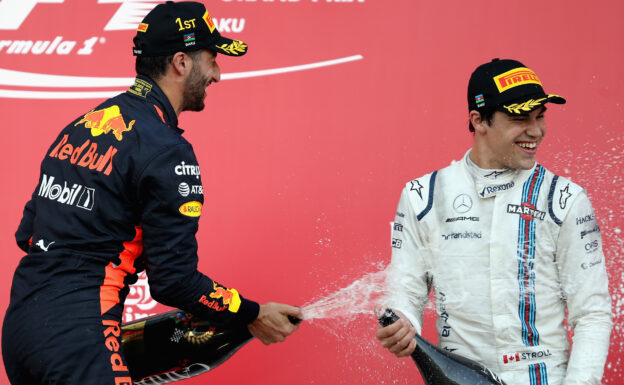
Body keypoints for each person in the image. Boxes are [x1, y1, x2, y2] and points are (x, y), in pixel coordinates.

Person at [2, 2, 302, 384]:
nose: (218, 74)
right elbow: (174, 279)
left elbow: (27, 235)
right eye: (212, 59)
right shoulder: (167, 151)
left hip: (21, 332)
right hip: (81, 337)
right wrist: (251, 313)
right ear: (181, 62)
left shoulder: (80, 127)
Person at [375, 58, 612, 385]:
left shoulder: (566, 199)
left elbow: (592, 315)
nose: (535, 130)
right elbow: (405, 292)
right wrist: (401, 322)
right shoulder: (423, 195)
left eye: (540, 116)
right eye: (519, 117)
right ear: (479, 120)